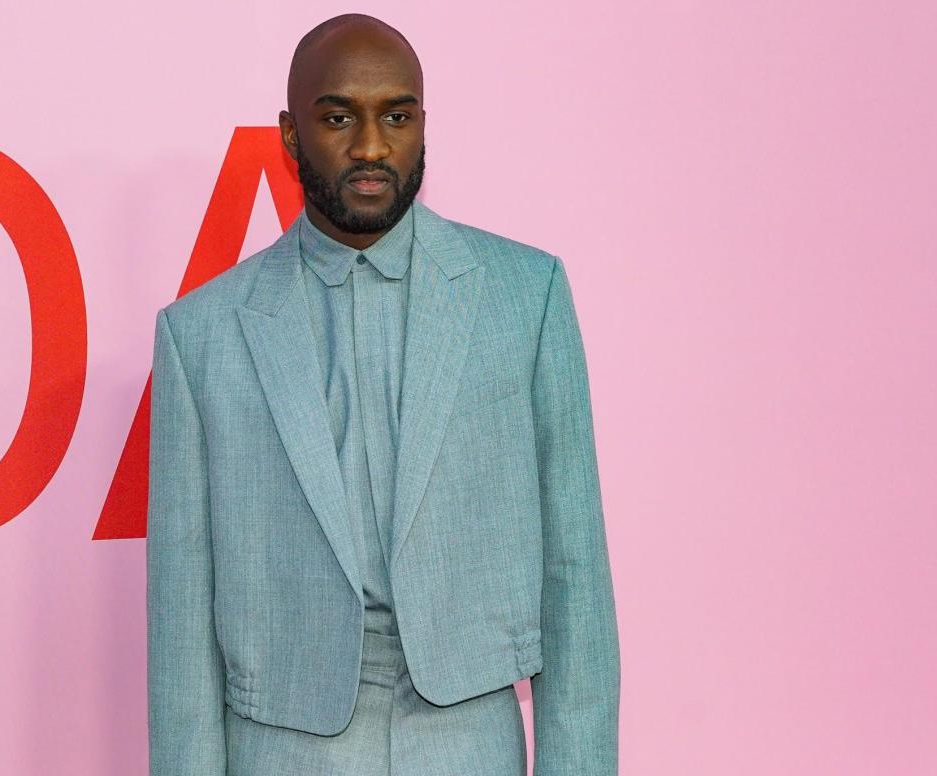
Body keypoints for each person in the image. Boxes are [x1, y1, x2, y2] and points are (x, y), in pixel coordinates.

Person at [147, 13, 620, 776]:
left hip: (469, 739)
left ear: (423, 124)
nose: (370, 146)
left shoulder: (524, 297)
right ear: (291, 135)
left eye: (395, 116)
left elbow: (576, 573)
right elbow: (180, 624)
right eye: (338, 118)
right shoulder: (200, 335)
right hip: (281, 748)